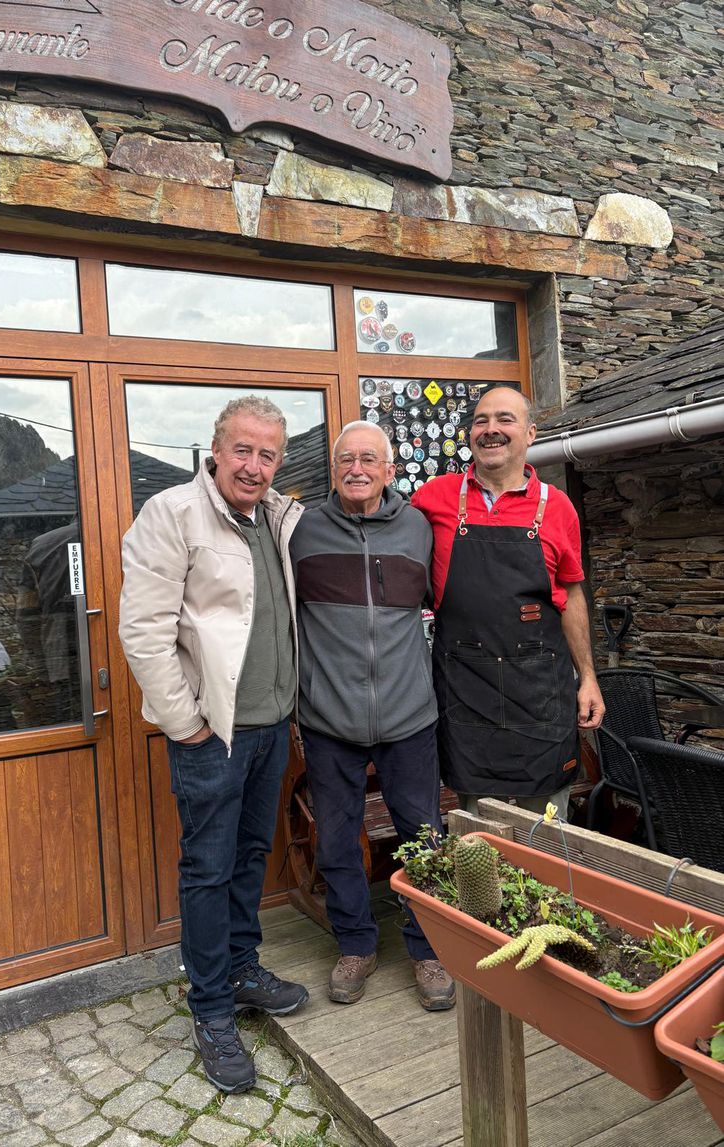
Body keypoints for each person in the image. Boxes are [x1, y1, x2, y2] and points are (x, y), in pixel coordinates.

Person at [118, 395, 309, 1095]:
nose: (254, 465)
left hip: (269, 727)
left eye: (267, 454)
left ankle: (240, 966)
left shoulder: (277, 519)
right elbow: (143, 632)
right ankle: (212, 1010)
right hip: (213, 734)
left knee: (250, 857)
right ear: (215, 449)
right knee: (207, 866)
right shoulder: (173, 514)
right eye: (243, 450)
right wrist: (186, 722)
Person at [289, 420, 455, 1012]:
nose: (356, 468)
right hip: (329, 716)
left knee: (423, 837)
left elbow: (447, 602)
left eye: (369, 459)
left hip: (410, 714)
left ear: (390, 469)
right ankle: (356, 944)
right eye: (344, 460)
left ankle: (428, 946)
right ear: (332, 471)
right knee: (336, 838)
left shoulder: (418, 528)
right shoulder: (300, 530)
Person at [411, 386, 605, 817]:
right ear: (469, 434)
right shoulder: (431, 500)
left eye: (505, 419)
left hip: (541, 695)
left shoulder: (558, 508)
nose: (491, 430)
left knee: (546, 839)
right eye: (481, 421)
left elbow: (571, 593)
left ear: (531, 433)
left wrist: (588, 677)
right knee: (478, 843)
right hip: (466, 695)